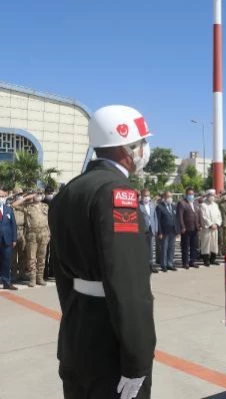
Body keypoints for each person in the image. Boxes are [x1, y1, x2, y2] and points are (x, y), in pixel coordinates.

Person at [48, 105, 156, 398]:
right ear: (126, 145)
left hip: (77, 332)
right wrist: (138, 358)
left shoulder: (68, 191)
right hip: (110, 344)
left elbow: (60, 272)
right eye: (142, 142)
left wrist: (74, 315)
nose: (145, 149)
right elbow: (129, 284)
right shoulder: (118, 193)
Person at [23, 191, 50, 287]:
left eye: (39, 193)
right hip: (32, 234)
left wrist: (49, 234)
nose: (37, 195)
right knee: (31, 258)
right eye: (36, 194)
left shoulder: (45, 206)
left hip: (44, 233)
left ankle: (40, 278)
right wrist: (27, 197)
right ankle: (32, 279)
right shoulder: (27, 206)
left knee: (42, 257)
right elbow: (13, 205)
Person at [177, 187, 201, 269]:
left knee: (194, 246)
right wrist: (182, 226)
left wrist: (199, 225)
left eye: (192, 194)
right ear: (186, 194)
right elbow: (180, 216)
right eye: (189, 194)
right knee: (185, 246)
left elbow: (198, 214)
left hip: (195, 227)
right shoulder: (182, 203)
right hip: (186, 228)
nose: (191, 195)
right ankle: (185, 262)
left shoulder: (195, 202)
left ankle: (192, 261)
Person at [156, 191, 179, 272]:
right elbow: (158, 221)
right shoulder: (159, 207)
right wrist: (160, 232)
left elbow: (176, 219)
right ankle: (164, 265)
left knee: (171, 248)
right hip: (164, 232)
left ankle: (170, 263)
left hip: (172, 231)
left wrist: (177, 231)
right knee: (164, 248)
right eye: (168, 197)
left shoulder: (173, 206)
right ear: (164, 198)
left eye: (171, 197)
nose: (170, 198)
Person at [0, 189, 18, 290]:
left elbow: (13, 225)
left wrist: (14, 239)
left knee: (7, 261)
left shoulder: (9, 209)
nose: (2, 199)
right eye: (0, 196)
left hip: (7, 240)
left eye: (3, 196)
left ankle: (6, 282)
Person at [200, 189, 222, 266]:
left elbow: (219, 216)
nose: (212, 197)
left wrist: (217, 224)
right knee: (206, 244)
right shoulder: (203, 205)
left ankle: (213, 259)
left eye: (213, 195)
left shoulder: (215, 205)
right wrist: (210, 225)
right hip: (207, 228)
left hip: (215, 228)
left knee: (214, 244)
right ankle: (206, 260)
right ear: (207, 196)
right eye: (210, 195)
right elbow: (203, 217)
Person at [139, 188, 159, 273]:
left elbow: (155, 217)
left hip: (151, 229)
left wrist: (156, 228)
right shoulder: (138, 205)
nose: (147, 197)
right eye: (145, 196)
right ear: (142, 196)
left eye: (148, 195)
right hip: (142, 230)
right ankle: (142, 265)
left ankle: (151, 264)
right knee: (142, 248)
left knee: (151, 248)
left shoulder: (152, 205)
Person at [10, 189, 27, 282]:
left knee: (23, 254)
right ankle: (13, 274)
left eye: (21, 194)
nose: (20, 196)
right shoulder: (10, 205)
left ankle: (22, 274)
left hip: (23, 232)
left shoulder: (24, 206)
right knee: (13, 255)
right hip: (13, 231)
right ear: (14, 196)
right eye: (19, 194)